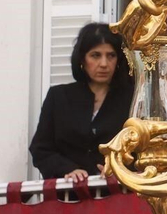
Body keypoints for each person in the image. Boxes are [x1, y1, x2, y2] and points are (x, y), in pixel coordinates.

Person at [30, 21, 135, 181]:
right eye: (95, 55)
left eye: (111, 55)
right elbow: (41, 149)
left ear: (119, 60)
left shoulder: (132, 98)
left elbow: (143, 150)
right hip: (67, 197)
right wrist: (68, 169)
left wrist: (121, 170)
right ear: (82, 59)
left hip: (116, 195)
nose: (104, 64)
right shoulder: (59, 96)